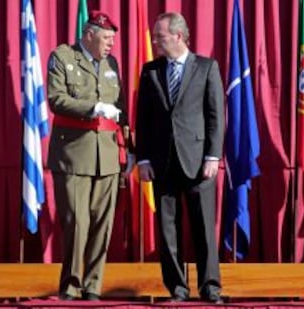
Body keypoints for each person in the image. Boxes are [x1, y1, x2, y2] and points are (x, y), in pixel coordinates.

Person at [135, 12, 224, 304]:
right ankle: (177, 289)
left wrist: (213, 155)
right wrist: (143, 159)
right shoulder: (150, 71)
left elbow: (215, 116)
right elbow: (143, 119)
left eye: (160, 36)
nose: (155, 41)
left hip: (199, 161)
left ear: (178, 35)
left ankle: (210, 288)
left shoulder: (206, 67)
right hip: (162, 162)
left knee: (203, 229)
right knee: (167, 230)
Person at [47, 11, 133, 301]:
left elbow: (121, 109)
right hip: (73, 154)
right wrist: (93, 108)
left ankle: (93, 286)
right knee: (76, 222)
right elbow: (56, 99)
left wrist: (130, 149)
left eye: (112, 38)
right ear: (89, 34)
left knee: (101, 224)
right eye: (106, 38)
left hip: (108, 154)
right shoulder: (63, 57)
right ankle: (71, 285)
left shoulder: (112, 63)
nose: (111, 44)